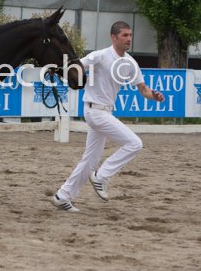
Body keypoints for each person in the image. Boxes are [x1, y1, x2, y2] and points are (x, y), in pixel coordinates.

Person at [52, 21, 164, 212]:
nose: (129, 39)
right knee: (135, 143)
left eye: (130, 35)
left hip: (105, 112)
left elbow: (143, 89)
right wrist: (59, 69)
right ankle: (101, 176)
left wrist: (154, 96)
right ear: (114, 37)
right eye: (125, 35)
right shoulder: (100, 56)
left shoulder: (130, 63)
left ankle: (62, 196)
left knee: (90, 160)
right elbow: (74, 67)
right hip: (94, 111)